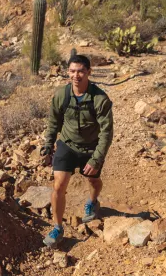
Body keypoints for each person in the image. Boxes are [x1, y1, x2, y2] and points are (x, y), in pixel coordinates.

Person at [40, 54, 114, 247]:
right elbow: (53, 123)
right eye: (72, 71)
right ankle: (57, 227)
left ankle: (92, 201)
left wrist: (96, 159)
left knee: (93, 180)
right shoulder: (61, 95)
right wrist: (48, 145)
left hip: (91, 147)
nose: (76, 75)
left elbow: (106, 133)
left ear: (89, 72)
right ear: (68, 72)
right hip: (67, 144)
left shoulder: (100, 99)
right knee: (59, 186)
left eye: (81, 71)